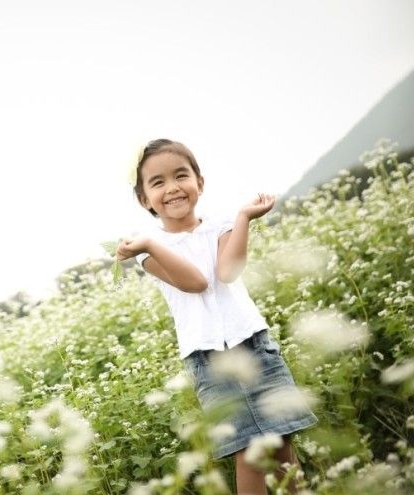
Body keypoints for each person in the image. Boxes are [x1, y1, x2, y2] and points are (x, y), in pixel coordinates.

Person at [115, 139, 317, 494]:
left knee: (282, 442)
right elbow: (194, 282)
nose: (173, 187)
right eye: (157, 182)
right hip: (209, 358)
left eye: (181, 175)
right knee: (249, 451)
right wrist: (148, 246)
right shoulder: (148, 249)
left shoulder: (222, 223)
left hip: (254, 344)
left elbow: (226, 272)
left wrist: (243, 219)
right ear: (144, 199)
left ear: (200, 182)